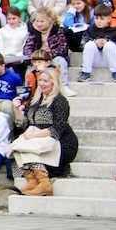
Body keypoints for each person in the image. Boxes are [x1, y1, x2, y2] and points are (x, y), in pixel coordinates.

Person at [8, 67, 78, 195]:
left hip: (59, 140)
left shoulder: (60, 101)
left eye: (45, 81)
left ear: (53, 82)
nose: (42, 84)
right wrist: (17, 109)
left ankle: (44, 183)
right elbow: (23, 125)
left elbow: (57, 129)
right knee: (15, 148)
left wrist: (34, 135)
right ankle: (32, 180)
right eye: (40, 80)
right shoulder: (35, 101)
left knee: (27, 148)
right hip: (36, 137)